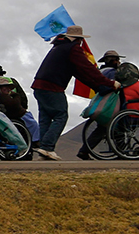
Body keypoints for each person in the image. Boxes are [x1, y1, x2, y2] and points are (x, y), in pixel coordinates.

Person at [31, 25, 118, 160]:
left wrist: (97, 86)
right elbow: (88, 68)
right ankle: (47, 147)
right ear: (78, 39)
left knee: (45, 119)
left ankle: (44, 149)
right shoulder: (73, 48)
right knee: (61, 115)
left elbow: (79, 74)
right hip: (52, 87)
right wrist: (110, 83)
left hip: (39, 85)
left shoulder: (58, 47)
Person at [0, 73, 38, 144]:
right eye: (5, 87)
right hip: (18, 116)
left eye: (9, 88)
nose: (8, 89)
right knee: (33, 124)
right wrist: (16, 96)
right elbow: (14, 104)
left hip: (16, 115)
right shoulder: (1, 96)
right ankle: (35, 141)